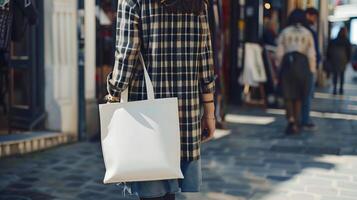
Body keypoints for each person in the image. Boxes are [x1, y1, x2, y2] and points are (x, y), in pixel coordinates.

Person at [106, 0, 216, 199]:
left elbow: (126, 54)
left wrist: (113, 91)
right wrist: (209, 112)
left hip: (147, 114)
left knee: (152, 188)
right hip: (185, 112)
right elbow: (205, 57)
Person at [276, 9, 316, 135]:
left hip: (288, 64)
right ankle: (297, 120)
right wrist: (312, 70)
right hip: (303, 65)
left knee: (288, 95)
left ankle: (291, 120)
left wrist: (278, 68)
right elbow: (311, 54)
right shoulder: (307, 33)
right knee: (299, 95)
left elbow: (279, 53)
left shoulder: (285, 32)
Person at [301, 7, 320, 130]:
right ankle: (304, 119)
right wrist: (314, 66)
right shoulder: (308, 32)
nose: (315, 20)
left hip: (297, 66)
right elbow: (313, 52)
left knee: (299, 94)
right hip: (308, 66)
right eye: (314, 17)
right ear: (309, 15)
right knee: (307, 94)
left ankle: (297, 118)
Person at [327, 27, 352, 95]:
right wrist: (348, 60)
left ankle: (335, 89)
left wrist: (329, 58)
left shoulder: (334, 40)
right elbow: (349, 51)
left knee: (335, 74)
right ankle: (341, 89)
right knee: (342, 74)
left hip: (334, 59)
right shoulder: (346, 41)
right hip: (343, 59)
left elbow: (329, 50)